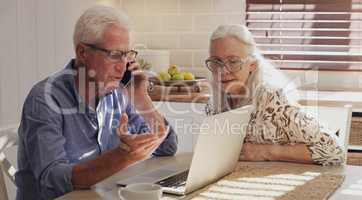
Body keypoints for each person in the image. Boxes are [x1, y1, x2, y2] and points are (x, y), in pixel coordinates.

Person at [15, 5, 177, 200]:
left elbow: (167, 146)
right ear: (83, 53)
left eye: (127, 54)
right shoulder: (45, 99)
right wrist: (122, 156)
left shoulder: (119, 94)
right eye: (115, 54)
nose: (123, 65)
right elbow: (53, 182)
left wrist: (142, 99)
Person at [205, 24, 344, 166]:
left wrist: (267, 151)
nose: (222, 71)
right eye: (216, 62)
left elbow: (334, 150)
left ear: (252, 65)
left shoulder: (271, 98)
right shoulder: (214, 104)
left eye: (233, 61)